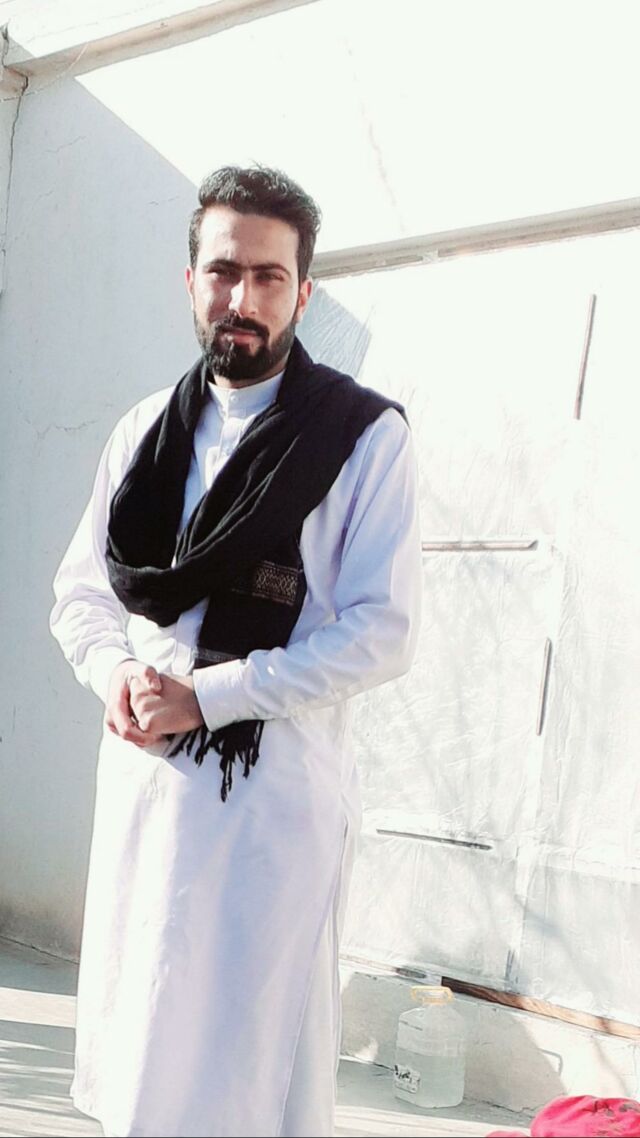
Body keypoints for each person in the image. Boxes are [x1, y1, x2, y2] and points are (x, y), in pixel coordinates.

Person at [50, 165, 422, 1138]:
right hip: (146, 792)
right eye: (223, 272)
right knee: (145, 1048)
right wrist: (116, 674)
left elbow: (381, 631)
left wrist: (208, 696)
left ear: (303, 291)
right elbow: (82, 595)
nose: (242, 299)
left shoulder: (361, 438)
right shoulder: (143, 432)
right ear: (191, 281)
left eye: (268, 276)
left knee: (247, 1067)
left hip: (269, 809)